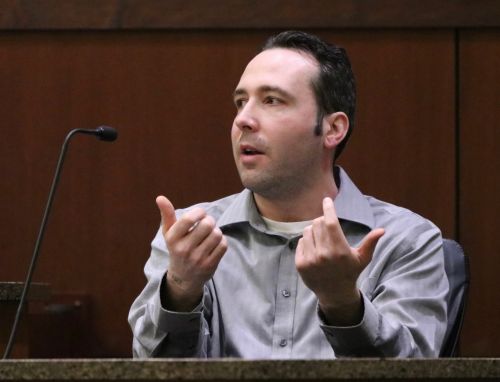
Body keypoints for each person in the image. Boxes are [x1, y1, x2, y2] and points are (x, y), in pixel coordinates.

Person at [128, 31, 448, 358]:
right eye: (241, 102)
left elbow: (415, 370)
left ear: (332, 128)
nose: (243, 120)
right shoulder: (190, 236)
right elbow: (151, 368)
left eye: (272, 100)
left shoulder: (405, 240)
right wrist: (180, 291)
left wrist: (344, 305)